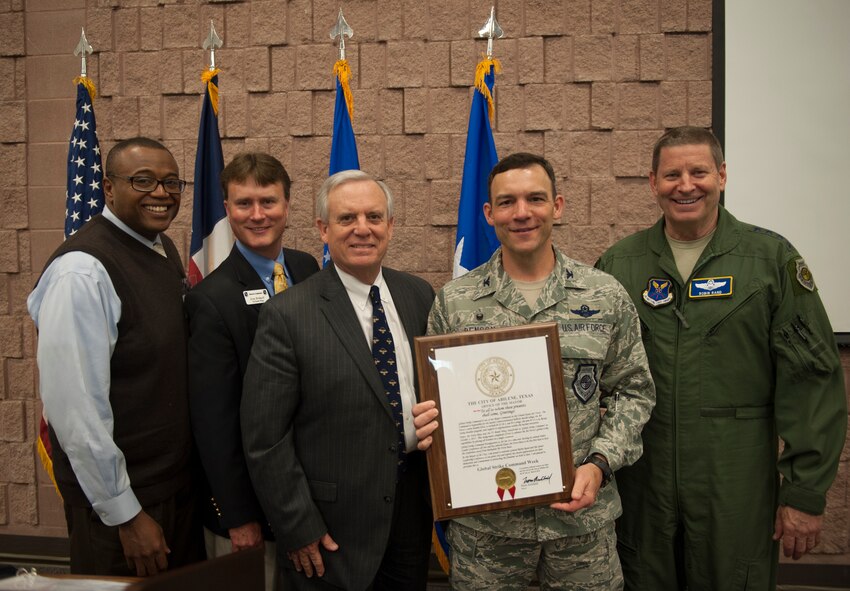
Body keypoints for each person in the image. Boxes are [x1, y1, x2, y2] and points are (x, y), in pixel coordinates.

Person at [595, 126, 847, 590]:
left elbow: (811, 379)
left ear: (723, 176)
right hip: (643, 487)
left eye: (699, 172)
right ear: (653, 183)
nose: (685, 185)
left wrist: (805, 491)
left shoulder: (769, 261)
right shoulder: (619, 266)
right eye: (672, 174)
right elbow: (588, 379)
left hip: (736, 486)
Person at [413, 152, 656, 590]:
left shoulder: (604, 295)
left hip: (582, 523)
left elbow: (633, 392)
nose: (521, 213)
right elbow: (439, 407)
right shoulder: (455, 302)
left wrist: (600, 463)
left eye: (535, 199)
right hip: (488, 530)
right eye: (506, 202)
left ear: (557, 206)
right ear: (489, 214)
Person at [241, 170, 435, 590]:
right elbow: (265, 439)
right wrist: (298, 525)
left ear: (390, 226)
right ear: (323, 229)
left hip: (410, 516)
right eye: (347, 219)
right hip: (330, 530)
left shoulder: (418, 294)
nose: (362, 229)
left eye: (374, 217)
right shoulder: (288, 314)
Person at [27, 137, 205, 576]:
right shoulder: (83, 272)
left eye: (171, 182)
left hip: (171, 491)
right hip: (122, 512)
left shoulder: (159, 248)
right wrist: (125, 515)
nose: (161, 193)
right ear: (108, 187)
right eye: (142, 180)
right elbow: (77, 411)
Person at [187, 152, 319, 589]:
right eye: (244, 203)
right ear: (226, 208)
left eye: (269, 201)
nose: (258, 215)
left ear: (288, 205)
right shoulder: (211, 300)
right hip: (252, 509)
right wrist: (238, 516)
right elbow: (214, 422)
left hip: (309, 495)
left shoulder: (306, 269)